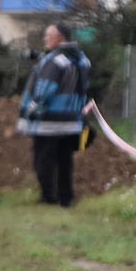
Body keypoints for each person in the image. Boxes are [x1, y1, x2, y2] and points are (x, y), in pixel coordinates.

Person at [17, 22, 90, 208]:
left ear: (60, 38)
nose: (45, 39)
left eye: (48, 35)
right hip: (71, 121)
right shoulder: (81, 59)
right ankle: (66, 199)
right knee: (65, 161)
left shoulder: (54, 61)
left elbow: (45, 89)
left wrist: (32, 110)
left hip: (48, 122)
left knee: (42, 161)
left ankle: (48, 197)